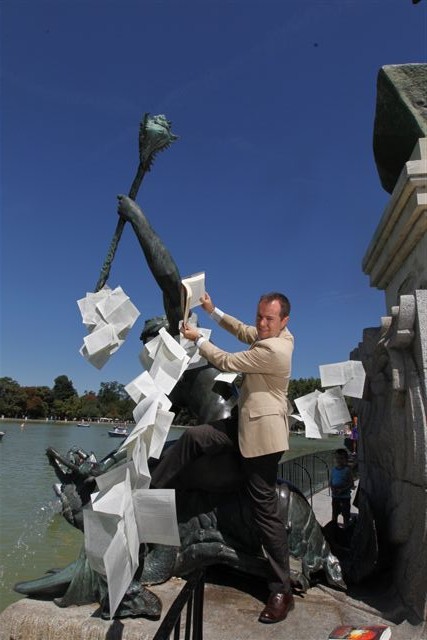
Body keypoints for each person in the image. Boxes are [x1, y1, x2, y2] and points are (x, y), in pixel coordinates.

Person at [150, 290, 295, 624]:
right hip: (243, 422)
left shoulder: (276, 350)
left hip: (263, 438)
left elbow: (228, 361)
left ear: (284, 321)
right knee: (195, 435)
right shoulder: (271, 334)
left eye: (268, 319)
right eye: (260, 315)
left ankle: (281, 590)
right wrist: (213, 312)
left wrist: (198, 339)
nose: (261, 323)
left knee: (265, 512)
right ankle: (152, 487)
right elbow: (245, 331)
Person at [329, 448, 354, 528]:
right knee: (334, 514)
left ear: (346, 459)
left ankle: (346, 529)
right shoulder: (333, 470)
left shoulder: (347, 470)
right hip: (335, 497)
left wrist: (342, 490)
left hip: (345, 497)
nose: (339, 460)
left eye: (341, 458)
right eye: (337, 458)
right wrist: (332, 488)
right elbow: (330, 482)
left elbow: (351, 484)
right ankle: (334, 530)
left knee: (346, 515)